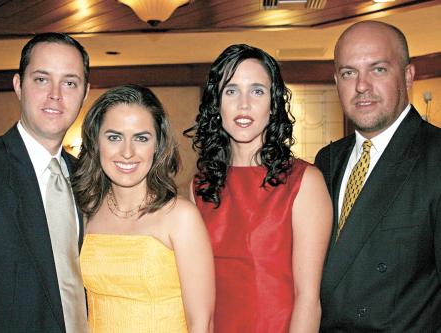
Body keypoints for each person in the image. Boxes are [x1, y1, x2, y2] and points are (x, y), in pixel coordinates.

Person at [184, 44, 332, 332]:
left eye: (257, 91)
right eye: (231, 90)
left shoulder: (305, 182)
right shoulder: (199, 186)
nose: (244, 104)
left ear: (274, 103)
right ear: (216, 104)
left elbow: (308, 299)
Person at [314, 21, 441, 331]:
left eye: (378, 69)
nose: (361, 86)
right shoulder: (326, 161)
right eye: (348, 73)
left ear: (409, 76)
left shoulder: (436, 158)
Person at [0, 33, 90, 332]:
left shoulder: (88, 179)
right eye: (41, 79)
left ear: (85, 93)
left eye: (70, 82)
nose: (55, 94)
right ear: (18, 85)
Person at [73, 85, 215, 333]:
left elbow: (202, 324)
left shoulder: (180, 217)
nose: (127, 152)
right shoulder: (84, 212)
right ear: (96, 142)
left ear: (157, 145)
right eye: (114, 137)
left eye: (141, 138)